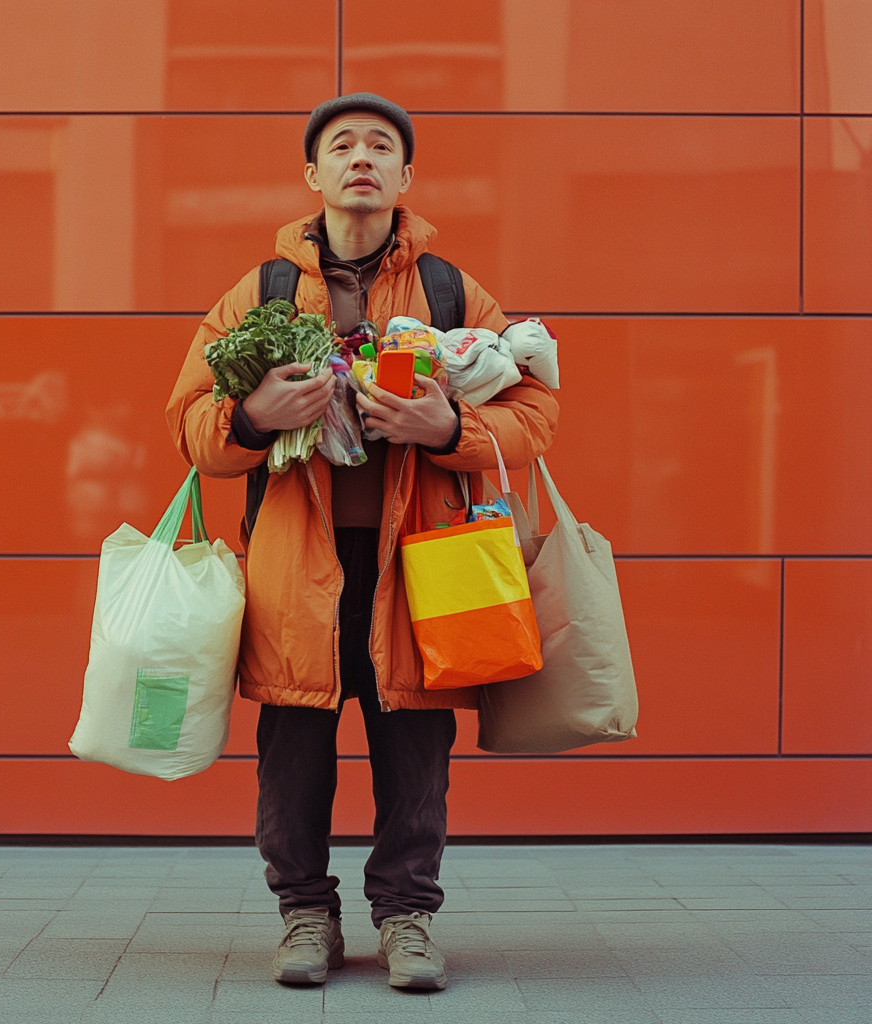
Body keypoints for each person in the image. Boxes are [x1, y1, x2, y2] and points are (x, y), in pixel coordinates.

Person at [166, 93, 558, 991]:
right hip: (293, 570)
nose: (362, 157)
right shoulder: (259, 293)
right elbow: (187, 425)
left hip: (422, 567)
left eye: (382, 146)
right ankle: (305, 914)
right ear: (313, 174)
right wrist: (254, 417)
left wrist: (446, 424)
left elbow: (536, 415)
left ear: (406, 176)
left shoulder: (455, 293)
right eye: (341, 145)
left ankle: (408, 921)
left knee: (415, 756)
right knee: (292, 754)